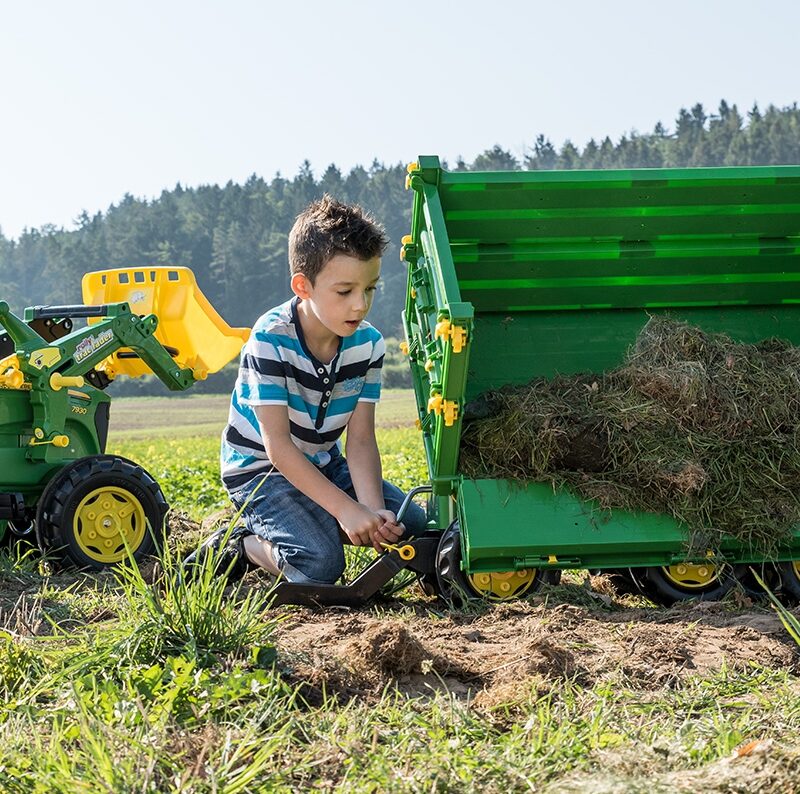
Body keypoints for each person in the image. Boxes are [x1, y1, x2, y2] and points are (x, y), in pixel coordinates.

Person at [184, 195, 427, 585]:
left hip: (322, 464)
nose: (360, 305)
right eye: (344, 291)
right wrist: (346, 512)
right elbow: (277, 448)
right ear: (303, 286)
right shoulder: (269, 339)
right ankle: (240, 547)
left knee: (413, 525)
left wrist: (370, 510)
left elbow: (360, 442)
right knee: (319, 565)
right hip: (260, 471)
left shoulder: (369, 345)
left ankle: (316, 523)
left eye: (370, 289)